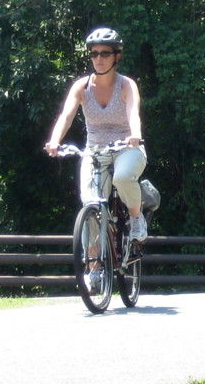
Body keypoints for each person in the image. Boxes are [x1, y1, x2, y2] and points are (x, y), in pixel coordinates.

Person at [44, 27, 149, 245]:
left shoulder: (126, 85)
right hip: (95, 151)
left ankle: (137, 218)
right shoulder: (81, 87)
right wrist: (54, 140)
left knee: (122, 177)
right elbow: (65, 116)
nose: (98, 58)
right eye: (94, 54)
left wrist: (135, 135)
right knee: (90, 204)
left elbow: (132, 113)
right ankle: (95, 266)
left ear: (116, 56)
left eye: (104, 53)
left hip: (127, 147)